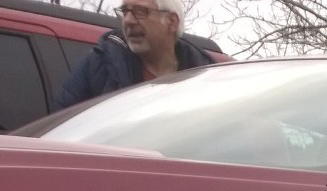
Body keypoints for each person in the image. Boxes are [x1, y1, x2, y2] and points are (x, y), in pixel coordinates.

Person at [54, 0, 213, 111]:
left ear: (171, 22)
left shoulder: (206, 75)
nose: (128, 20)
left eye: (140, 12)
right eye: (125, 11)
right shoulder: (99, 66)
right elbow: (61, 133)